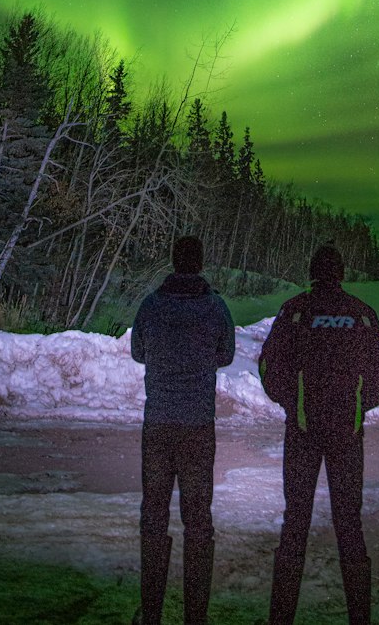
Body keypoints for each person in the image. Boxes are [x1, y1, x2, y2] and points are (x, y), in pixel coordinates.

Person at [258, 243, 379, 625]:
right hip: (346, 434)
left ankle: (281, 618)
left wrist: (294, 402)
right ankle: (358, 618)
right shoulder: (361, 313)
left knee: (295, 520)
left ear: (313, 271)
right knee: (349, 521)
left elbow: (270, 365)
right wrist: (355, 405)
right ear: (341, 273)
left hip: (303, 431)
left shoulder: (295, 311)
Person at [130, 234, 235, 625]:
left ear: (174, 262)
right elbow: (225, 354)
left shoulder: (152, 306)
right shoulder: (214, 307)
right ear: (201, 262)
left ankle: (152, 613)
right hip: (196, 426)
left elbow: (138, 351)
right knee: (198, 521)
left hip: (158, 423)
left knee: (154, 517)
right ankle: (196, 615)